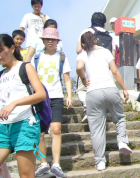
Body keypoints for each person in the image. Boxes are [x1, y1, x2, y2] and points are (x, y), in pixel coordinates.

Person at [76, 32, 132, 171]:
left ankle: (100, 161)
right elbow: (115, 71)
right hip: (110, 89)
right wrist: (124, 88)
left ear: (83, 44)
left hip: (93, 92)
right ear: (96, 40)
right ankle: (122, 141)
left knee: (97, 129)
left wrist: (84, 79)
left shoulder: (83, 54)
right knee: (119, 117)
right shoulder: (106, 51)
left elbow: (78, 68)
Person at [0, 34, 46, 178]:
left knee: (26, 175)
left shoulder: (25, 67)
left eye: (1, 50)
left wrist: (14, 103)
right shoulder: (1, 75)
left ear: (12, 48)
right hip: (3, 127)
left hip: (25, 124)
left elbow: (41, 94)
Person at [34, 28, 72, 178]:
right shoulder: (36, 58)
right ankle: (43, 164)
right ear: (43, 40)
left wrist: (69, 95)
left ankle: (56, 164)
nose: (50, 41)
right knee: (40, 132)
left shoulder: (61, 58)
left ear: (57, 42)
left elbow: (67, 78)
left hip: (56, 97)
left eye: (53, 39)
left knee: (56, 129)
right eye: (47, 38)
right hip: (39, 98)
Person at [75, 12, 116, 123]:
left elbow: (78, 50)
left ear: (92, 21)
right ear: (104, 23)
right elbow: (112, 55)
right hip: (105, 69)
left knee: (81, 90)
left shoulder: (86, 32)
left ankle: (88, 109)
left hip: (88, 67)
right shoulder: (110, 35)